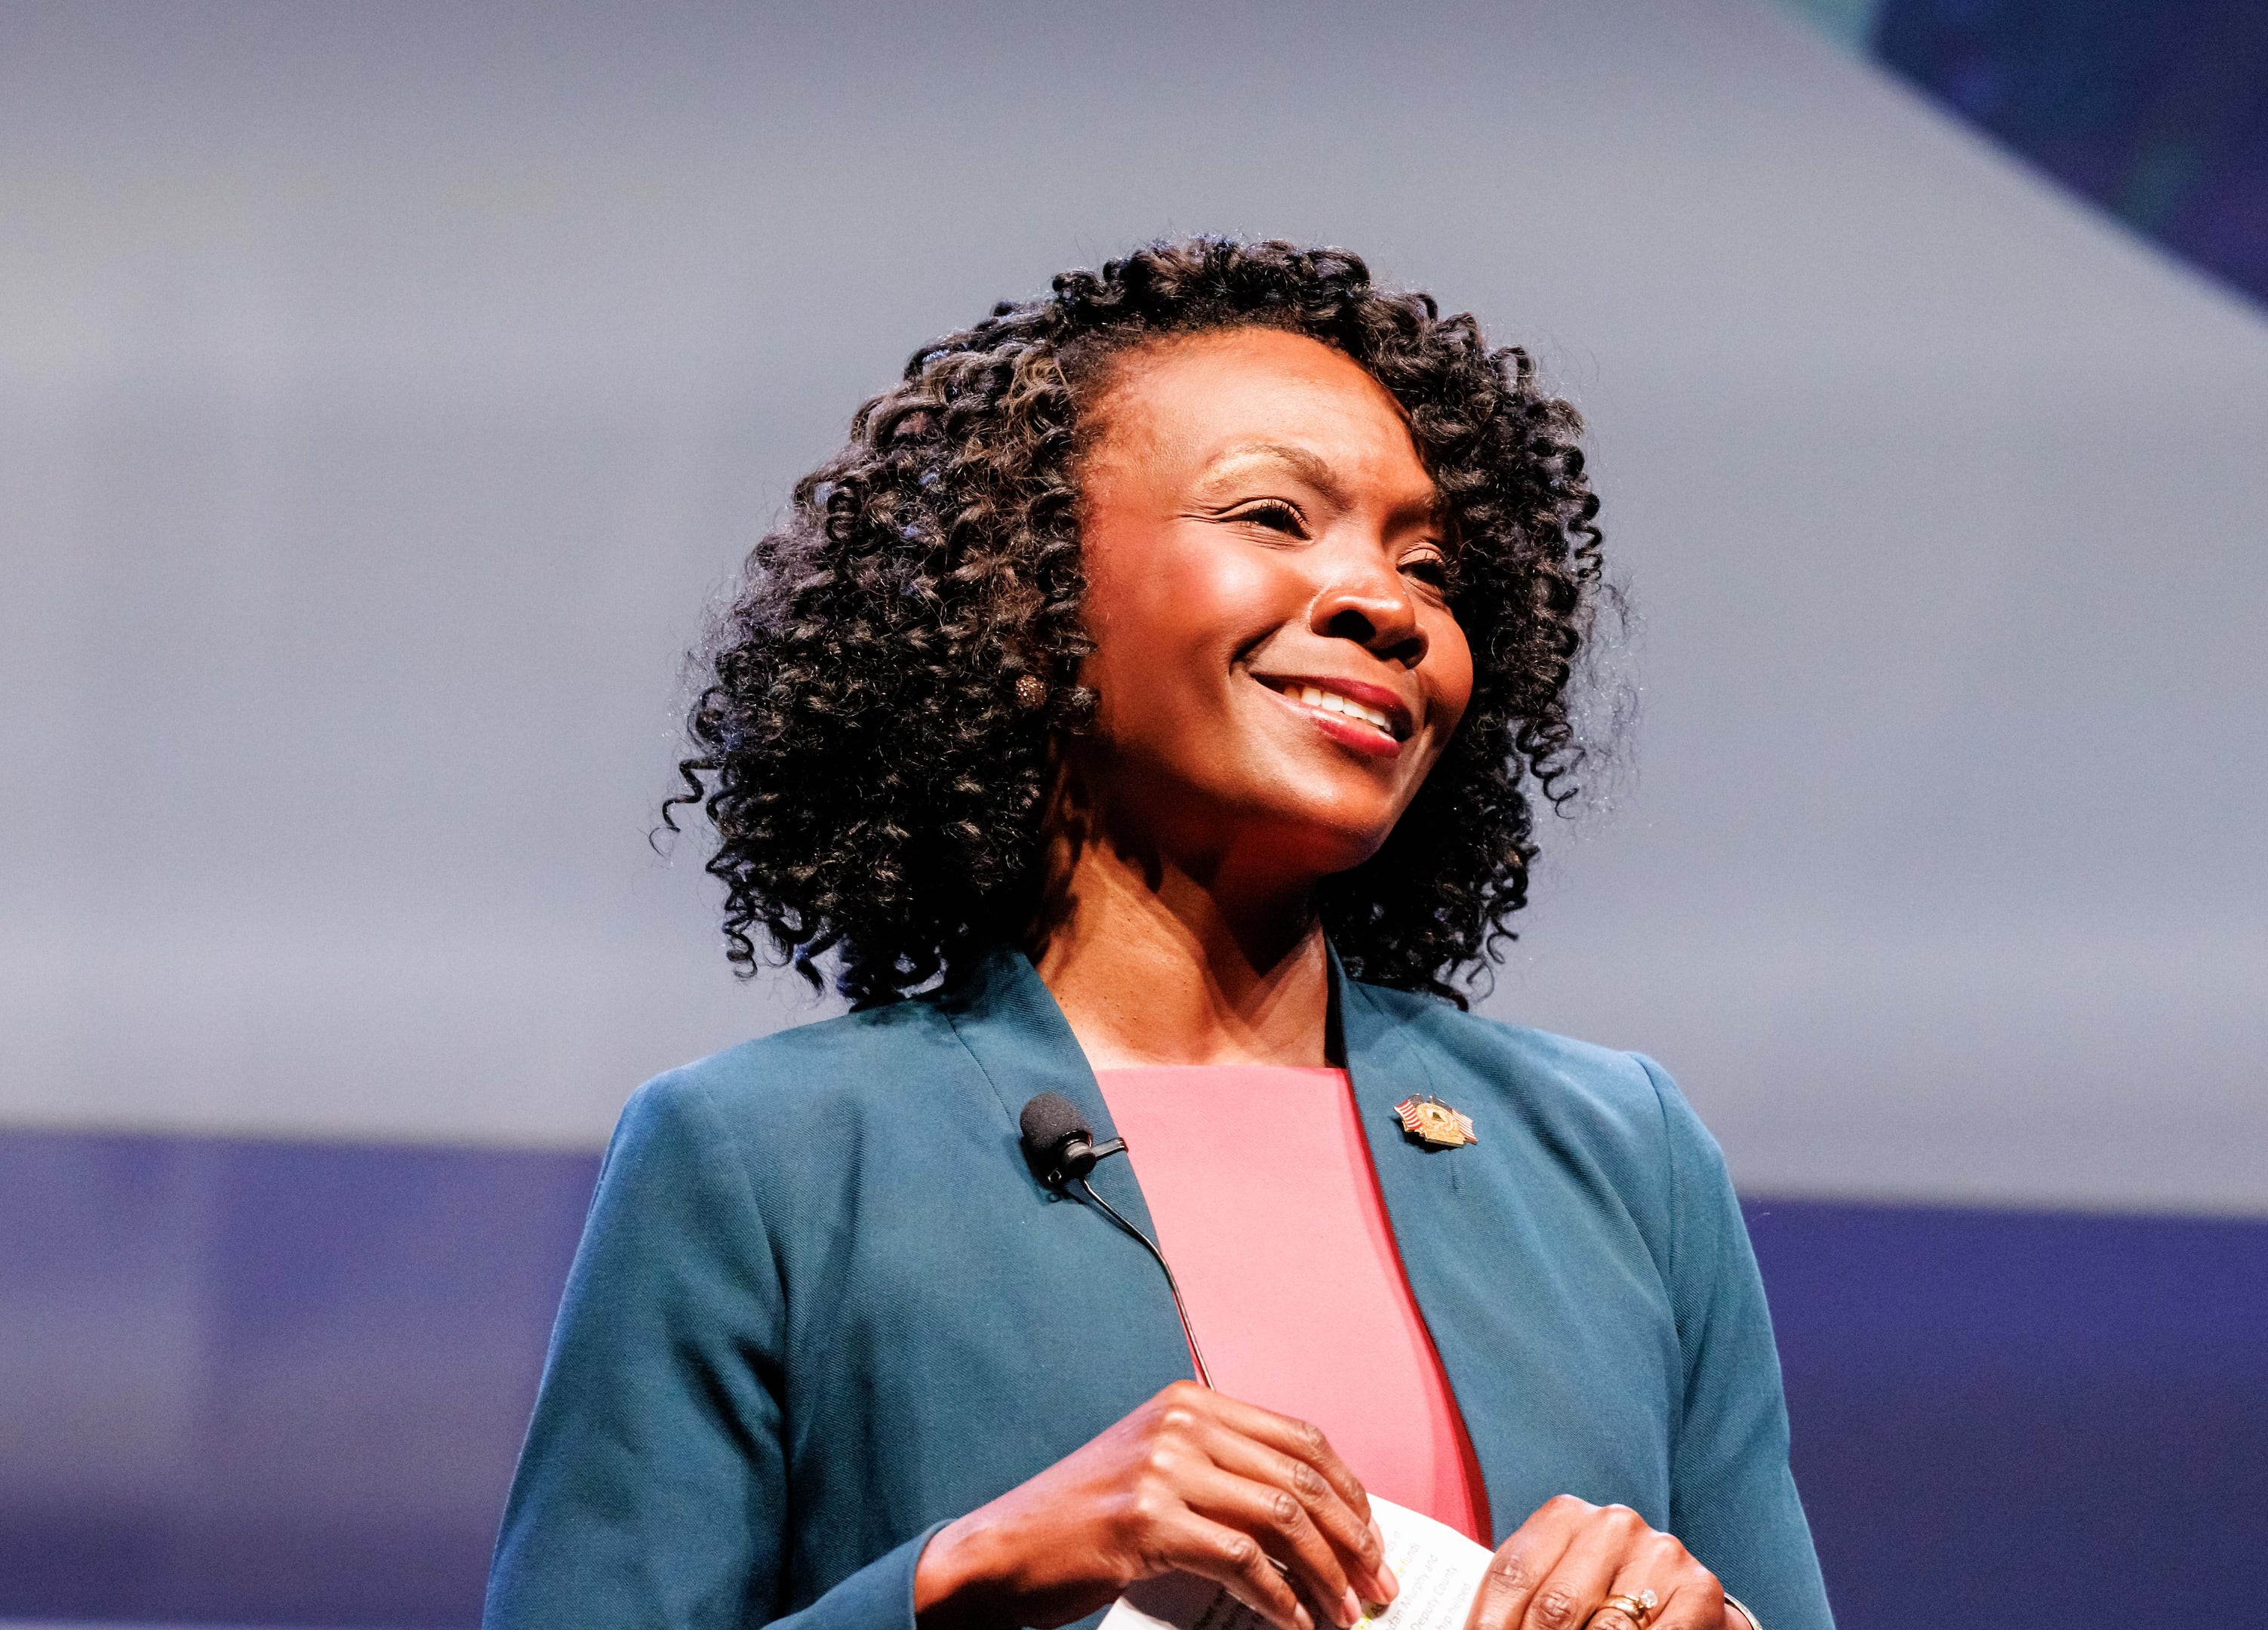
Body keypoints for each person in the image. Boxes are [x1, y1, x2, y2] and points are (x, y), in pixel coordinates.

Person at [484, 238, 1830, 1630]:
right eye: (1270, 516)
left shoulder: (1620, 1153)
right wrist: (968, 1574)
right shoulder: (768, 1157)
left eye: (1428, 565)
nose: (1390, 607)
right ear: (1032, 597)